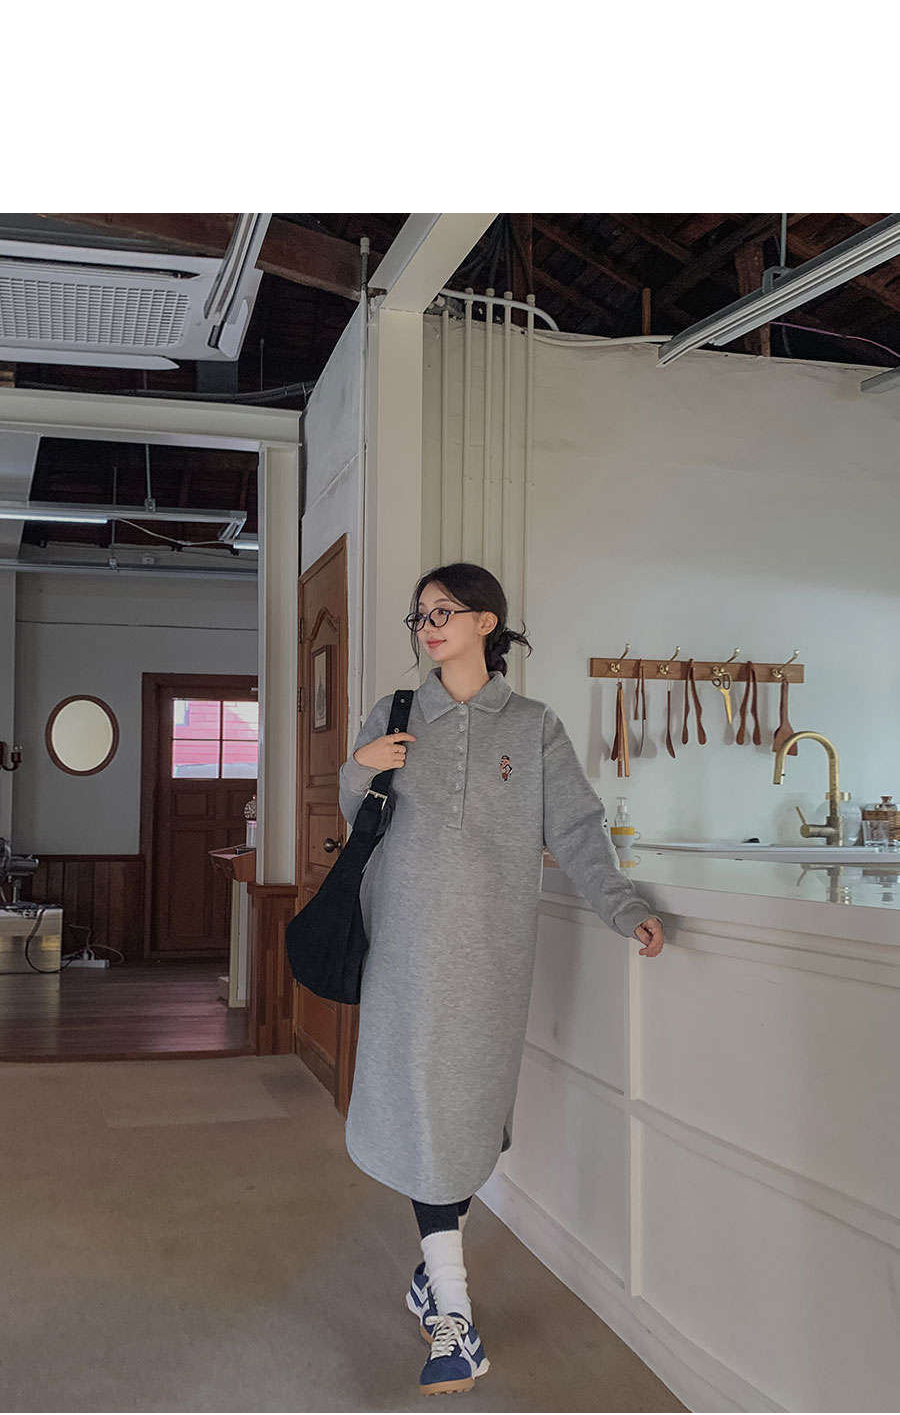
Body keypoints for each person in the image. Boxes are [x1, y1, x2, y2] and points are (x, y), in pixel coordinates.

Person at [338, 562, 664, 1396]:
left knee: (464, 1116)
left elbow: (578, 830)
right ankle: (455, 1313)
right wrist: (360, 764)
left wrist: (622, 907)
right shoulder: (394, 713)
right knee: (423, 1108)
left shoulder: (533, 726)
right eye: (420, 616)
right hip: (403, 950)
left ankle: (429, 1277)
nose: (428, 627)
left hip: (490, 957)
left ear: (487, 622)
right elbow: (356, 812)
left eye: (443, 612)